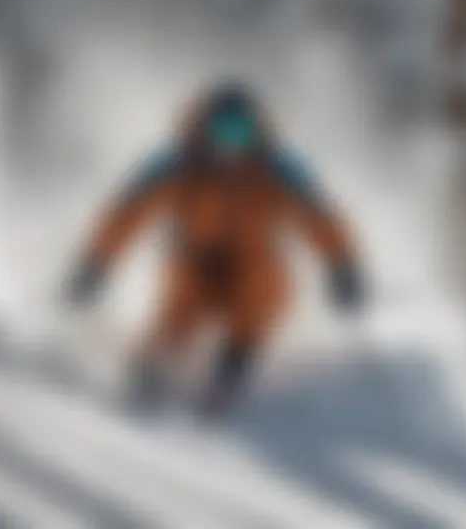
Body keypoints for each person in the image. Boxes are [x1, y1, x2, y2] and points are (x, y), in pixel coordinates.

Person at [61, 80, 364, 419]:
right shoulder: (177, 163)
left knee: (262, 289)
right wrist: (96, 263)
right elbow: (127, 213)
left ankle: (236, 358)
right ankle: (154, 365)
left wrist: (343, 265)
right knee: (179, 303)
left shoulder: (277, 168)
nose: (229, 144)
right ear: (202, 128)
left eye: (240, 132)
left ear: (256, 131)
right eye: (221, 130)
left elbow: (320, 217)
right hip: (195, 258)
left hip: (253, 259)